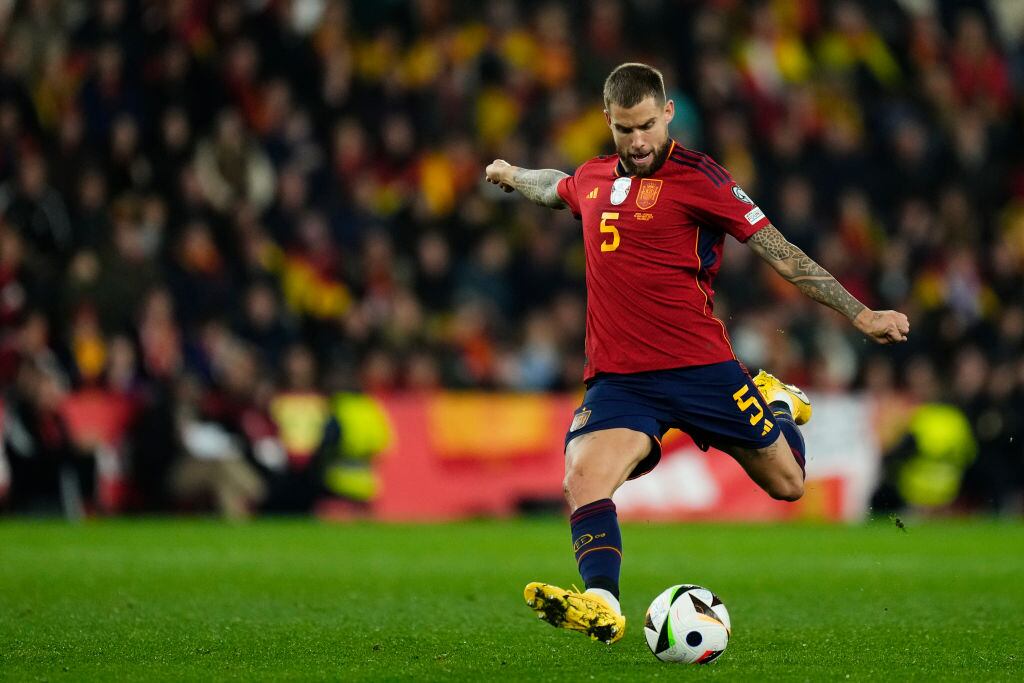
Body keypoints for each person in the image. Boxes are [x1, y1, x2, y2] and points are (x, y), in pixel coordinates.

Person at [484, 63, 910, 644]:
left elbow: (780, 252)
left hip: (702, 370)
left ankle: (775, 402)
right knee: (583, 480)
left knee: (788, 484)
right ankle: (602, 603)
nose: (637, 142)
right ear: (607, 122)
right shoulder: (592, 178)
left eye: (646, 128)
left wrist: (862, 314)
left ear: (667, 114)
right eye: (623, 130)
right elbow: (554, 186)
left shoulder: (702, 179)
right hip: (621, 379)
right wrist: (510, 174)